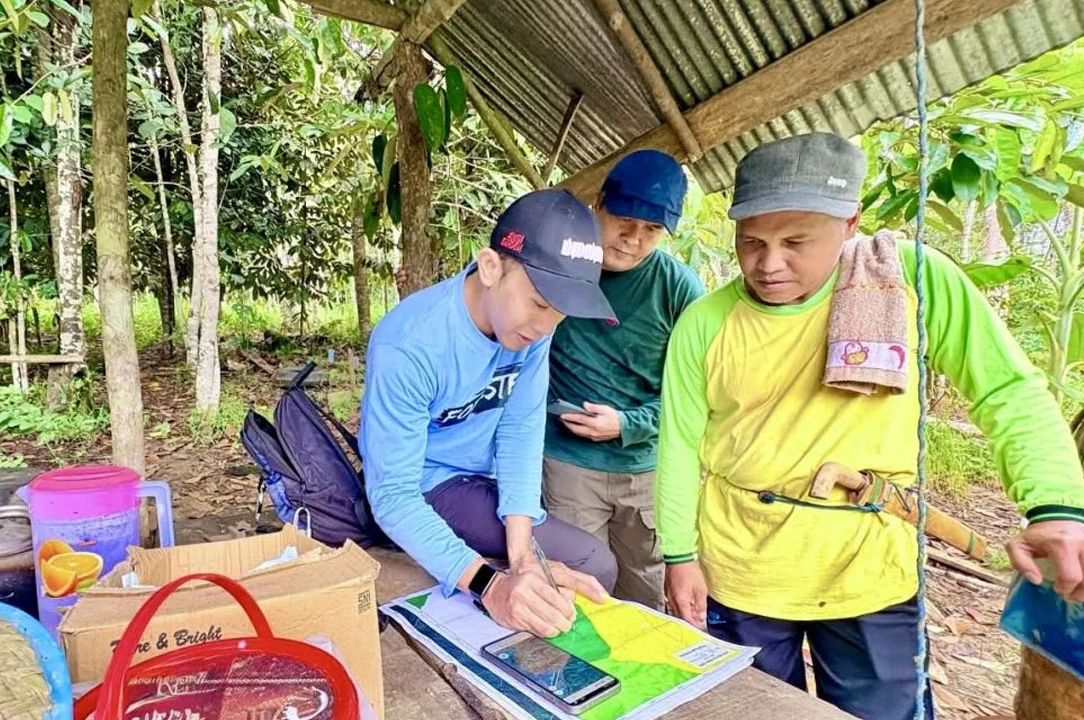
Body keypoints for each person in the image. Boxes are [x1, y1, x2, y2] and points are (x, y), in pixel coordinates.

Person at [657, 133, 1084, 720]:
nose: (768, 263)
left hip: (870, 568)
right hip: (743, 565)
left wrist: (1056, 506)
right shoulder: (707, 321)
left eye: (795, 242)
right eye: (751, 241)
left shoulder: (910, 281)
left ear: (850, 222)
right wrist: (680, 556)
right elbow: (678, 444)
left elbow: (1005, 389)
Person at [360, 189, 620, 639]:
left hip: (484, 478)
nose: (545, 326)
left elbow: (520, 430)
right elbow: (393, 495)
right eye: (540, 304)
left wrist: (522, 557)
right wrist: (491, 585)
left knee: (562, 573)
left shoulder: (531, 332)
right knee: (590, 562)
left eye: (559, 315)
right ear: (491, 267)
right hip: (429, 482)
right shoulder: (409, 345)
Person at [542, 150, 703, 610]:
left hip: (646, 470)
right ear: (599, 205)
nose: (633, 240)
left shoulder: (678, 287)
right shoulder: (560, 269)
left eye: (651, 231)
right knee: (577, 589)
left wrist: (629, 423)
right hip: (567, 462)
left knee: (643, 591)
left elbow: (695, 393)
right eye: (624, 222)